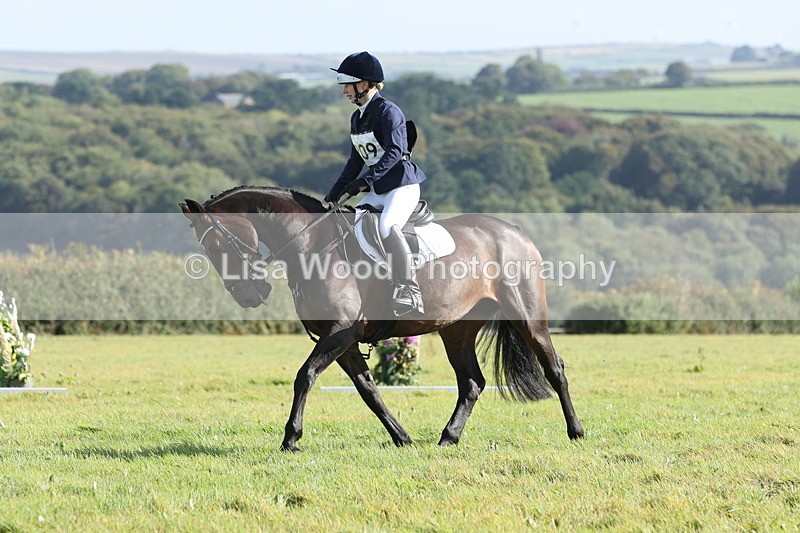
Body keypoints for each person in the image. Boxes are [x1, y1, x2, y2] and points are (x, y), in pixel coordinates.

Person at [324, 51, 427, 316]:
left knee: (387, 225)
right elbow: (355, 161)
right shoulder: (357, 118)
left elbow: (395, 151)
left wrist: (366, 180)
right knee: (351, 226)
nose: (344, 91)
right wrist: (333, 195)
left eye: (348, 85)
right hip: (380, 189)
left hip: (401, 185)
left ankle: (410, 289)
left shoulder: (388, 111)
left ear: (364, 84)